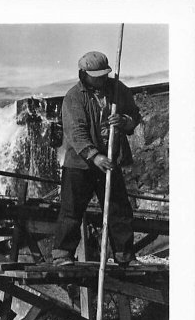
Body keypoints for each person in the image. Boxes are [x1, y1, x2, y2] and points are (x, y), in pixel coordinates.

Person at [52, 51, 141, 267]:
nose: (101, 80)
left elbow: (134, 117)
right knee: (71, 210)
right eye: (96, 76)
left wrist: (123, 120)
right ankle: (62, 255)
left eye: (103, 75)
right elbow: (76, 132)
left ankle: (124, 256)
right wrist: (94, 156)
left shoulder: (119, 90)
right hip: (80, 163)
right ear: (84, 74)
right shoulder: (74, 96)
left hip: (110, 161)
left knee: (119, 210)